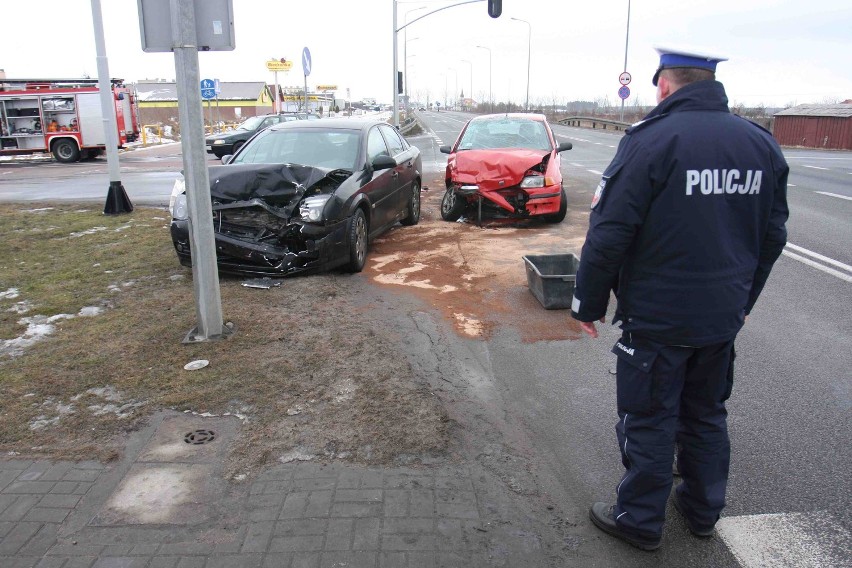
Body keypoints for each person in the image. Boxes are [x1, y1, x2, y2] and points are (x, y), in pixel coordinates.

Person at [571, 46, 789, 551]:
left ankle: (639, 521)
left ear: (664, 85)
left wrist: (588, 303)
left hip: (658, 318)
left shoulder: (651, 141)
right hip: (721, 317)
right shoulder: (760, 144)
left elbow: (610, 233)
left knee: (649, 417)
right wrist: (745, 299)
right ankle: (701, 510)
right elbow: (772, 236)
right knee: (706, 413)